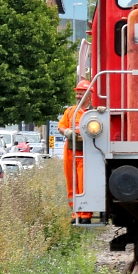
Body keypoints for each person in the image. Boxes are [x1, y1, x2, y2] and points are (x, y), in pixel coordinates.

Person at [59, 80, 92, 220]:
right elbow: (61, 127)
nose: (78, 96)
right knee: (72, 183)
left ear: (89, 95)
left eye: (81, 93)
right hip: (70, 151)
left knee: (84, 183)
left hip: (87, 152)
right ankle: (75, 214)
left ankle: (86, 214)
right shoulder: (70, 111)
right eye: (77, 93)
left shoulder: (93, 112)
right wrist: (66, 131)